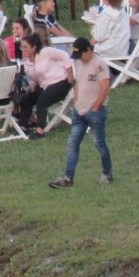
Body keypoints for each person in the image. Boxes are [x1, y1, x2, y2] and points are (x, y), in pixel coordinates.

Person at [49, 37, 114, 187]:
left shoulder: (100, 65)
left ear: (89, 51)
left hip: (95, 112)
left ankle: (107, 173)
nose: (80, 59)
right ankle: (68, 177)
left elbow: (105, 88)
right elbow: (77, 82)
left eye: (81, 55)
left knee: (99, 143)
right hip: (79, 111)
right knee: (73, 144)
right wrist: (76, 99)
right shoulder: (78, 62)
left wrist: (96, 107)